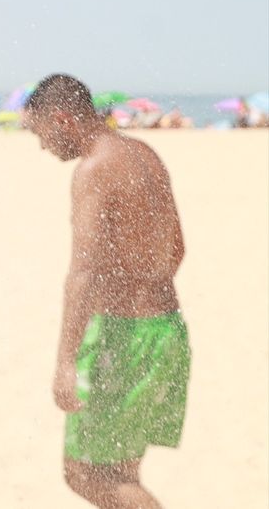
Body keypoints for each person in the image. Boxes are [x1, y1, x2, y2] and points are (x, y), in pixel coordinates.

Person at [25, 74, 191, 509]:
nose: (42, 146)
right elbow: (177, 250)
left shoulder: (93, 169)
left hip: (124, 338)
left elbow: (84, 272)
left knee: (84, 473)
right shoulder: (143, 153)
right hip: (166, 331)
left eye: (39, 132)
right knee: (120, 472)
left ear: (61, 118)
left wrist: (65, 362)